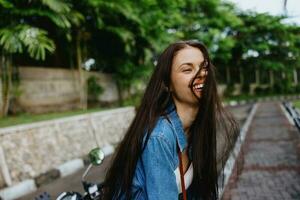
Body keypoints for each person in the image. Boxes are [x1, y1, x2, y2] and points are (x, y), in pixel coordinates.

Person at [102, 40, 239, 200]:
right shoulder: (160, 137)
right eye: (187, 69)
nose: (201, 73)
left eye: (204, 67)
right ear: (168, 84)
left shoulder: (196, 127)